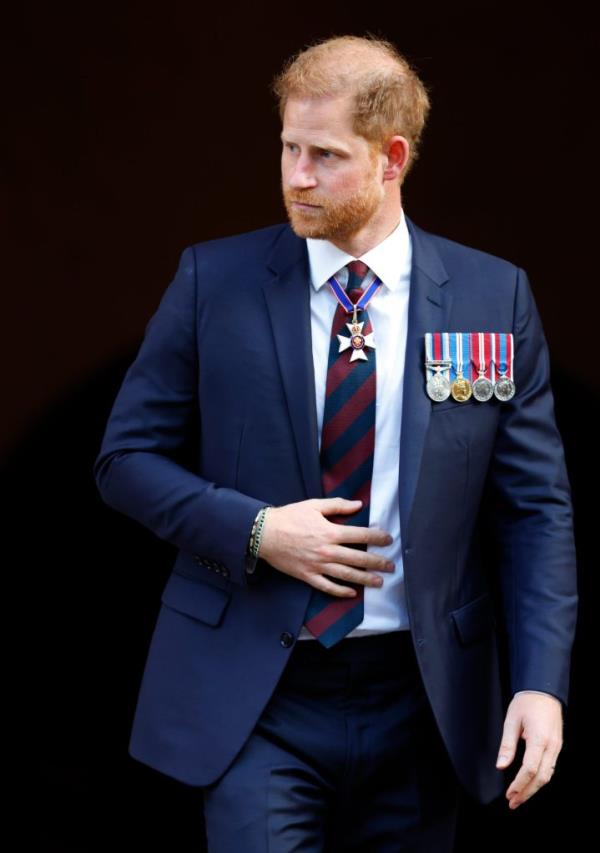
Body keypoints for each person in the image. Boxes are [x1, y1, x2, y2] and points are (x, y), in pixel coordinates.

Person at [93, 34, 578, 852]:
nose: (294, 175)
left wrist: (540, 681)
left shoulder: (494, 295)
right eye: (287, 146)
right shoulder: (215, 281)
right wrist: (257, 530)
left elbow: (534, 510)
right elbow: (123, 461)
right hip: (260, 691)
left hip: (425, 698)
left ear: (392, 159)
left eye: (323, 154)